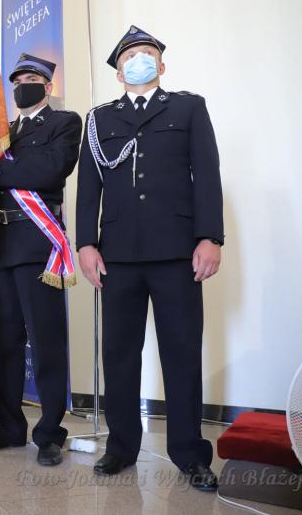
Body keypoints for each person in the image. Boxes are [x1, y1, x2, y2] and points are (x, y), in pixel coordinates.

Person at [75, 25, 224, 491]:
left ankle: (190, 454)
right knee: (119, 354)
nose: (138, 59)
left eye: (147, 53)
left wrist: (210, 237)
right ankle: (121, 447)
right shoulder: (98, 119)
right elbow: (89, 187)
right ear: (119, 73)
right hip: (117, 255)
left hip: (177, 251)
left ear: (161, 65)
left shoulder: (187, 107)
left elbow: (208, 174)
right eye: (129, 56)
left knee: (181, 352)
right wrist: (85, 243)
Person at [0, 54, 82, 466]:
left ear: (47, 87)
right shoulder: (1, 132)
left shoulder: (64, 123)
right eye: (17, 81)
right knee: (4, 343)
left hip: (37, 244)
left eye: (32, 79)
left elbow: (49, 171)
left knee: (46, 341)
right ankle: (9, 426)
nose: (22, 86)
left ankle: (49, 432)